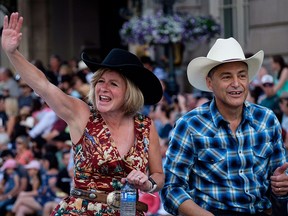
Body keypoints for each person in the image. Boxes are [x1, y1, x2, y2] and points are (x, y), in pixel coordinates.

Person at [2, 12, 164, 216]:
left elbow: (158, 175)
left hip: (128, 212)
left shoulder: (145, 126)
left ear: (129, 93)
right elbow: (44, 86)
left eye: (113, 84)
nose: (103, 88)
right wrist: (12, 53)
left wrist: (147, 184)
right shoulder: (83, 115)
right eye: (100, 82)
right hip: (81, 211)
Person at [160, 37, 288, 216]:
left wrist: (282, 186)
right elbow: (171, 189)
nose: (236, 83)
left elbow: (280, 177)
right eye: (227, 76)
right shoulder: (189, 125)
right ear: (210, 83)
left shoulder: (266, 119)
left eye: (242, 75)